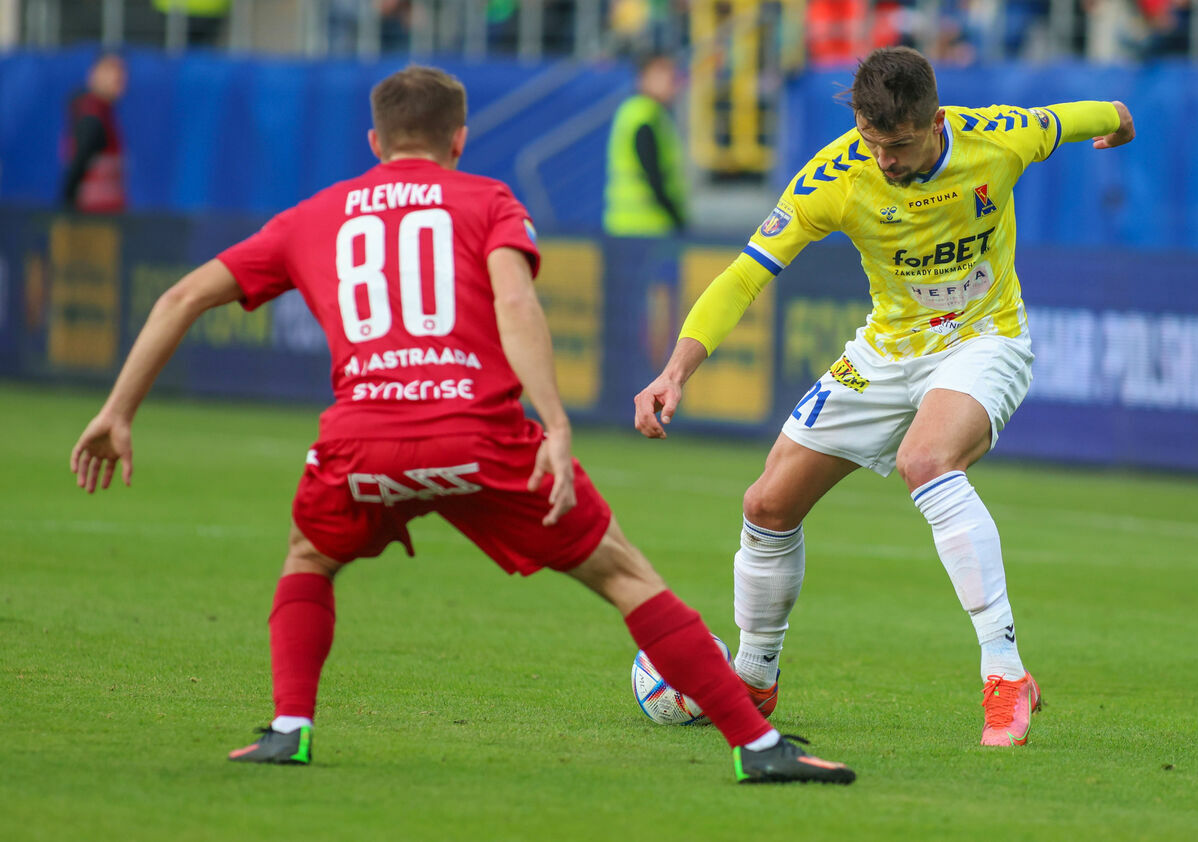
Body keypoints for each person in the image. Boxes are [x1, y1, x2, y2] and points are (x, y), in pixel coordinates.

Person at [68, 65, 854, 785]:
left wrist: (115, 412)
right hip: (480, 433)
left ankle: (289, 726)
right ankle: (757, 748)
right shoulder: (487, 201)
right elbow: (515, 304)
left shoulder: (313, 215)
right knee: (622, 574)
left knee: (309, 555)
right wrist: (553, 419)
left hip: (361, 440)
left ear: (374, 142)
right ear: (460, 139)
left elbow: (178, 299)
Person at [634, 46, 1135, 747]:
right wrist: (676, 370)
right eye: (872, 141)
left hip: (982, 340)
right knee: (766, 505)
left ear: (935, 123)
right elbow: (745, 275)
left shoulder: (1000, 137)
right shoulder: (836, 175)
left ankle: (1005, 672)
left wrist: (1121, 123)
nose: (884, 160)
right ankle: (753, 675)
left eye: (897, 145)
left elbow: (1097, 113)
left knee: (925, 461)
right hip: (884, 349)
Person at [603, 52, 688, 236]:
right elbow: (653, 174)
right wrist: (677, 219)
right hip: (644, 229)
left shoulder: (644, 112)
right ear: (643, 78)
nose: (671, 81)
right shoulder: (644, 116)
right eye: (663, 74)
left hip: (631, 227)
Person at [61, 53, 127, 214]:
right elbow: (80, 162)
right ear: (93, 75)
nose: (119, 80)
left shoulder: (104, 112)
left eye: (121, 75)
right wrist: (67, 206)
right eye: (112, 73)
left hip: (104, 215)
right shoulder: (92, 115)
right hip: (92, 218)